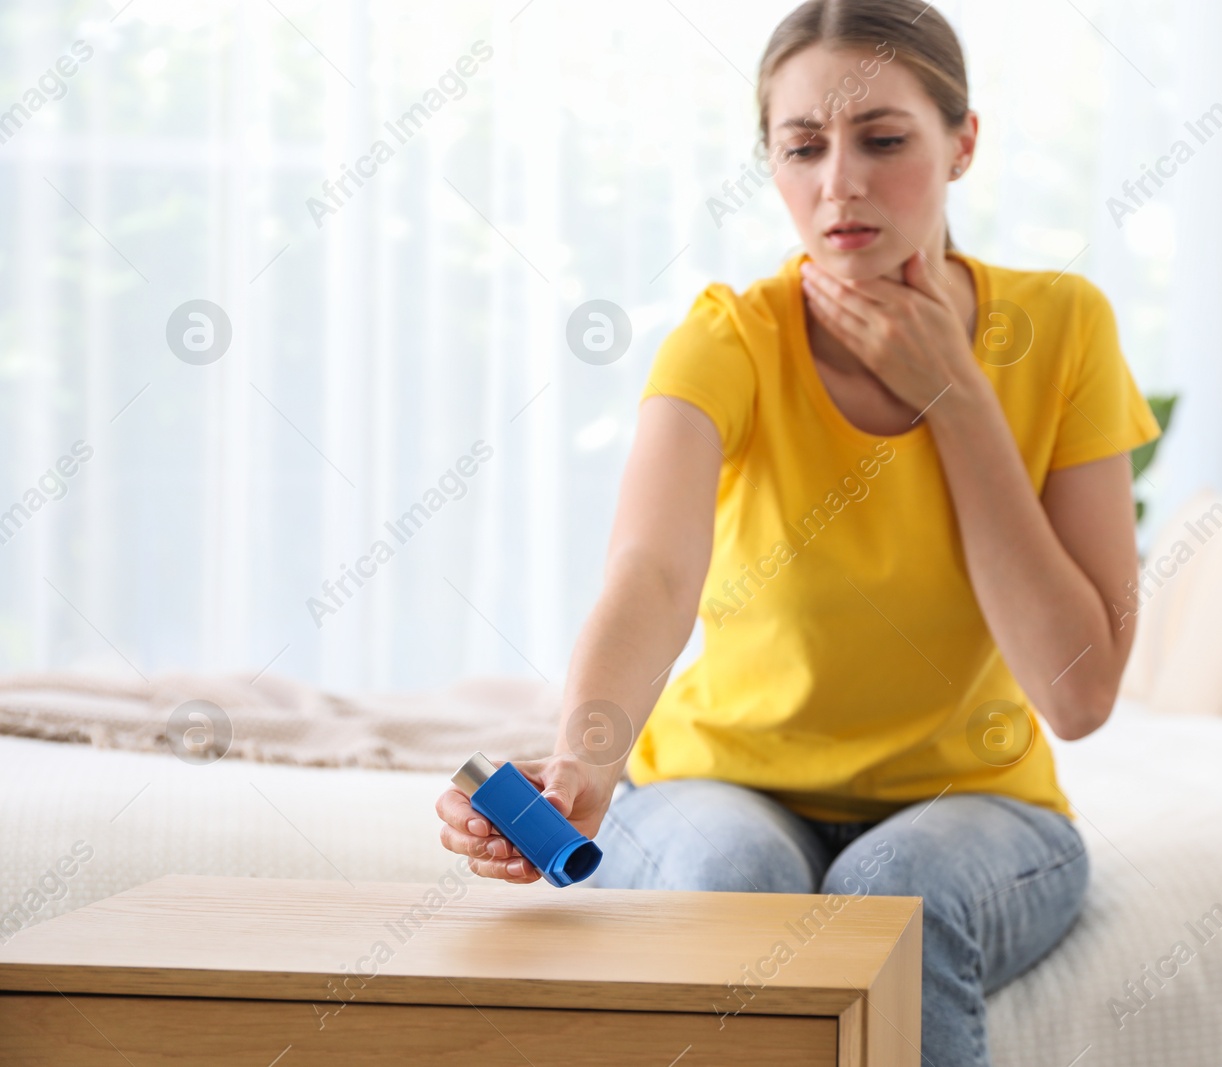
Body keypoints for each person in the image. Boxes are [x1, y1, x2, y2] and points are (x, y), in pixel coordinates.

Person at [437, 0, 1161, 1060]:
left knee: (890, 902)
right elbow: (650, 571)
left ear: (962, 143)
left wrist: (958, 400)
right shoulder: (729, 335)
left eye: (883, 139)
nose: (839, 185)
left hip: (979, 806)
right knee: (733, 883)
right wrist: (582, 763)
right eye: (802, 147)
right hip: (718, 782)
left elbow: (1078, 690)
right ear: (768, 161)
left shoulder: (1063, 327)